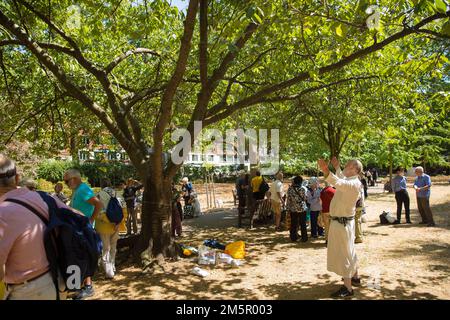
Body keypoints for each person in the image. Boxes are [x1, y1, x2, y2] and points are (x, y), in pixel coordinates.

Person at [0, 154, 67, 300]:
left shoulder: (2, 213)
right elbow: (78, 217)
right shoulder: (42, 197)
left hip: (27, 291)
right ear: (17, 178)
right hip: (56, 280)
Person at [317, 156, 363, 298]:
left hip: (342, 224)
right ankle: (355, 277)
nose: (345, 166)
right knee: (349, 252)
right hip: (343, 223)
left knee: (344, 255)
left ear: (355, 169)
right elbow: (341, 179)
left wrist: (326, 170)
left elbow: (338, 182)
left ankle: (347, 288)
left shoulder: (354, 183)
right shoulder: (351, 181)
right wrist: (336, 168)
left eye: (348, 165)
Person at [63, 169, 102, 300]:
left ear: (73, 179)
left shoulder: (83, 189)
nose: (66, 184)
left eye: (66, 181)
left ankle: (88, 287)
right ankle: (82, 286)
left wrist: (90, 221)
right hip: (79, 230)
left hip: (84, 231)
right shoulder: (77, 190)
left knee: (83, 257)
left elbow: (98, 204)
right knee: (80, 257)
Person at [95, 179, 120, 279]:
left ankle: (109, 272)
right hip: (116, 225)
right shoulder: (117, 193)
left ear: (101, 185)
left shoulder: (99, 195)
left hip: (103, 226)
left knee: (106, 249)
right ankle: (113, 267)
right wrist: (118, 222)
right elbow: (123, 208)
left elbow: (97, 211)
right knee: (113, 247)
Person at [286, 176, 308, 242]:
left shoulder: (290, 189)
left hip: (293, 208)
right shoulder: (303, 189)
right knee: (303, 224)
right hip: (302, 208)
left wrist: (287, 208)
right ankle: (304, 238)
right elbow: (305, 198)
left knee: (293, 224)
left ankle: (293, 237)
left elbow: (288, 199)